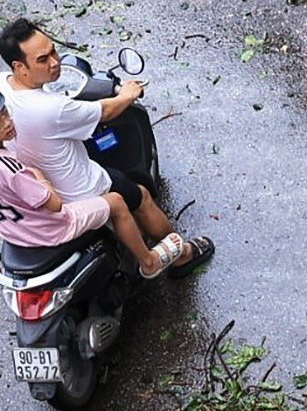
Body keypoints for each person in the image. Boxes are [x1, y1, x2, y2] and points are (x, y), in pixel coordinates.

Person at [0, 17, 213, 277]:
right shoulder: (51, 109)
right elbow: (105, 111)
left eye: (53, 51)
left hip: (32, 196)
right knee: (139, 196)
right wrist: (128, 94)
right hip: (79, 190)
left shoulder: (4, 86)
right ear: (20, 67)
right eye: (43, 60)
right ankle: (178, 257)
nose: (55, 62)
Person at [0, 98, 183, 275]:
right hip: (51, 229)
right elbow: (54, 204)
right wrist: (38, 176)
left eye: (6, 114)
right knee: (116, 202)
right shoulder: (13, 171)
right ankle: (149, 261)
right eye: (0, 124)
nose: (8, 123)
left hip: (15, 231)